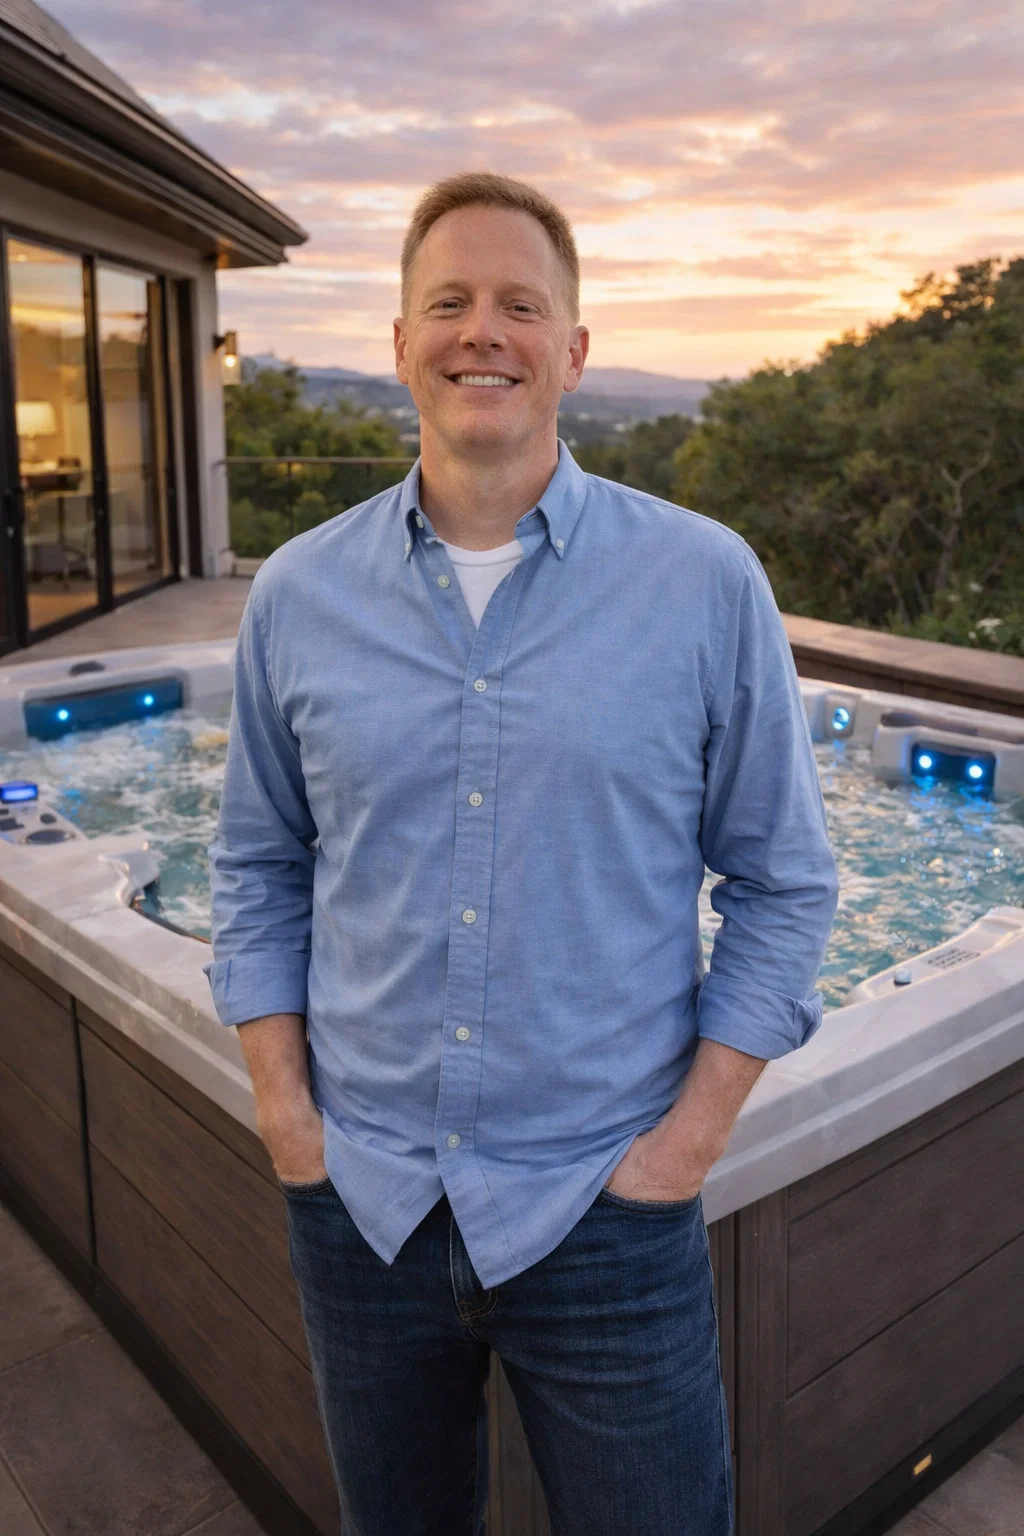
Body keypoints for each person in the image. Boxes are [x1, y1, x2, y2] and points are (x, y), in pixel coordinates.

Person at [203, 170, 839, 1536]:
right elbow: (257, 865)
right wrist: (286, 1114)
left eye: (518, 305)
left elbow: (785, 880)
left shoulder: (705, 582)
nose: (481, 331)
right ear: (398, 344)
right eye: (448, 302)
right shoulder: (298, 595)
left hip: (607, 1208)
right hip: (360, 1203)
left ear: (573, 350)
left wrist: (687, 1143)